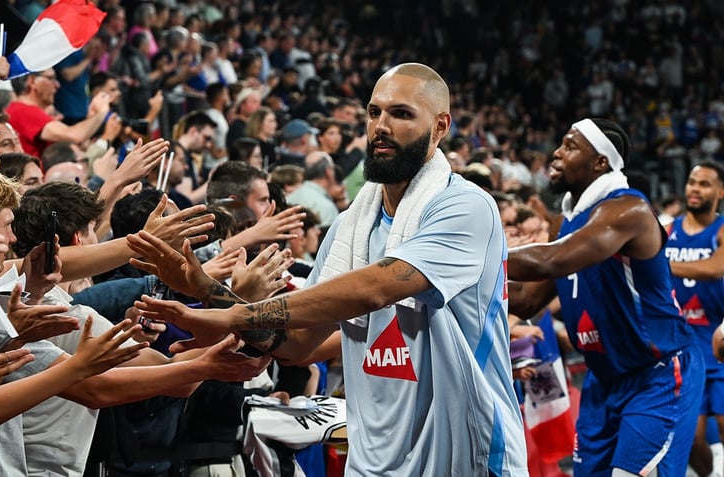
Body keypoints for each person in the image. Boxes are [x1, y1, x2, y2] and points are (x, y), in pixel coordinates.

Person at [131, 63, 528, 476]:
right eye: (374, 113)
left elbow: (379, 286)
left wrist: (233, 315)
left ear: (440, 126)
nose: (381, 126)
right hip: (373, 459)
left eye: (402, 114)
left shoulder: (465, 206)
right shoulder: (350, 227)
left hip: (464, 456)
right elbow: (299, 344)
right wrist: (204, 286)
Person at [506, 118, 703, 476]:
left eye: (570, 146)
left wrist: (466, 253)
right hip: (604, 379)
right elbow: (526, 301)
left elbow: (553, 259)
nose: (556, 153)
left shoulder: (628, 210)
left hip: (655, 373)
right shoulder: (563, 222)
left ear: (600, 162)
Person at [666, 161, 724, 476]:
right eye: (691, 182)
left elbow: (715, 268)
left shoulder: (722, 229)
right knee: (691, 439)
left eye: (704, 184)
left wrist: (660, 264)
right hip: (685, 353)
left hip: (720, 344)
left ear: (720, 192)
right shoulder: (667, 230)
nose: (695, 189)